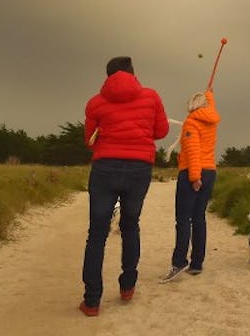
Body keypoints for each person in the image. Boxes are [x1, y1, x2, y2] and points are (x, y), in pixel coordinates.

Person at [79, 56, 169, 316]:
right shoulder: (151, 97)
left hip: (105, 168)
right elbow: (161, 131)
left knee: (97, 234)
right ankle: (127, 286)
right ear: (132, 73)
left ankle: (92, 301)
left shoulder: (95, 102)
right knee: (130, 225)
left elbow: (89, 139)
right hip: (139, 169)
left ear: (108, 76)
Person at [160, 88, 220, 282]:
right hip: (210, 171)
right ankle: (197, 263)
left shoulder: (191, 123)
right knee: (199, 217)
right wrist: (210, 94)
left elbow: (193, 151)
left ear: (192, 105)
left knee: (183, 219)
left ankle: (179, 262)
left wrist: (194, 177)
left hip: (193, 172)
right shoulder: (211, 121)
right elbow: (212, 106)